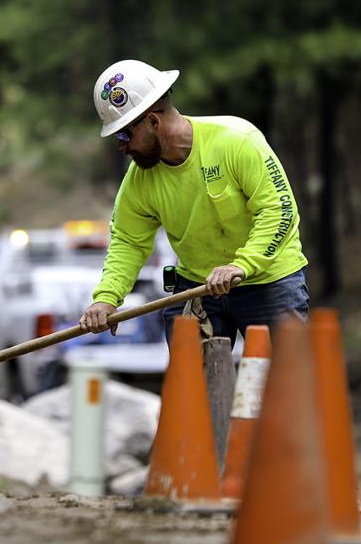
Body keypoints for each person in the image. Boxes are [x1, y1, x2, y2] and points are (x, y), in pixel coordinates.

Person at [78, 59, 309, 347]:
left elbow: (278, 210)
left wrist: (242, 265)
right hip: (198, 289)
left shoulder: (236, 140)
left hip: (268, 281)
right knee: (191, 387)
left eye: (125, 134)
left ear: (153, 120)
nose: (121, 145)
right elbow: (129, 241)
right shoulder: (139, 180)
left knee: (290, 384)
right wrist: (106, 298)